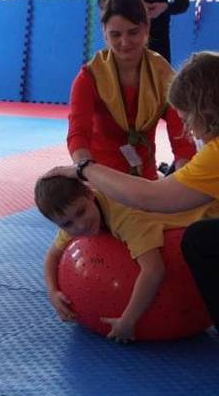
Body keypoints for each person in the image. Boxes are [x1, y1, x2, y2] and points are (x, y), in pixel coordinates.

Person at [47, 51, 219, 330]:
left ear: (207, 112)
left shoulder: (215, 155)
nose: (189, 131)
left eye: (189, 120)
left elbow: (149, 198)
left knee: (199, 240)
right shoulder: (90, 76)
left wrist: (84, 169)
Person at [35, 174, 219, 342]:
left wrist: (128, 321)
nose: (80, 225)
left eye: (81, 212)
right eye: (67, 223)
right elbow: (52, 255)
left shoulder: (126, 217)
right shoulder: (79, 212)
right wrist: (52, 292)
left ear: (90, 193)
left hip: (211, 215)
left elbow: (154, 271)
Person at [68, 0, 195, 180]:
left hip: (147, 181)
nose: (125, 42)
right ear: (104, 33)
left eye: (133, 32)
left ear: (146, 28)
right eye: (115, 35)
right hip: (102, 180)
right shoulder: (89, 77)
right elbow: (78, 135)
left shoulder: (163, 75)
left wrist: (185, 179)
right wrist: (86, 169)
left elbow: (182, 135)